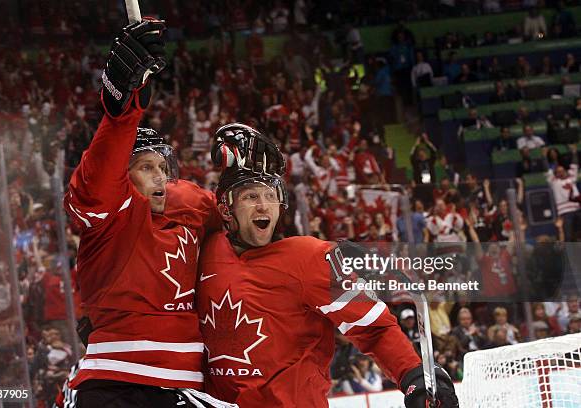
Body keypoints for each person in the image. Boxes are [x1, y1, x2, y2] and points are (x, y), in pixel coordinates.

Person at [196, 123, 459, 407]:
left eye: (270, 196)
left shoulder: (308, 258)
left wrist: (413, 375)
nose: (263, 206)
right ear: (225, 208)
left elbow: (374, 328)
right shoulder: (205, 249)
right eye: (250, 196)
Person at [64, 19, 234, 407]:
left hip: (182, 388)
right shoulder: (112, 217)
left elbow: (240, 225)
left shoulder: (190, 203)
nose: (160, 176)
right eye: (145, 167)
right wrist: (121, 112)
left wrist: (247, 179)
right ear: (124, 176)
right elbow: (95, 186)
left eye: (163, 167)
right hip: (114, 384)